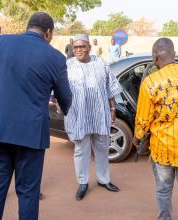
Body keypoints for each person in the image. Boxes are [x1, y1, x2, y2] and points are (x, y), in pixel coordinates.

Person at [0, 12, 72, 219]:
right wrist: (64, 107)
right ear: (48, 33)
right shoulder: (56, 57)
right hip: (31, 136)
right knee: (28, 193)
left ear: (28, 27)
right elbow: (65, 98)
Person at [133, 38, 178, 220]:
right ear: (174, 54)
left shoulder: (151, 82)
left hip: (162, 149)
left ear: (154, 56)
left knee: (163, 191)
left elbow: (143, 118)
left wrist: (137, 139)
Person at [64, 34, 122, 201]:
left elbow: (110, 87)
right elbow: (60, 89)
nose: (79, 50)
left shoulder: (101, 63)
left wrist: (112, 108)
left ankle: (104, 180)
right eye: (75, 47)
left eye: (82, 47)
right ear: (72, 49)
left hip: (100, 113)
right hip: (78, 114)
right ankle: (83, 182)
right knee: (81, 150)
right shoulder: (67, 66)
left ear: (89, 47)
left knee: (102, 147)